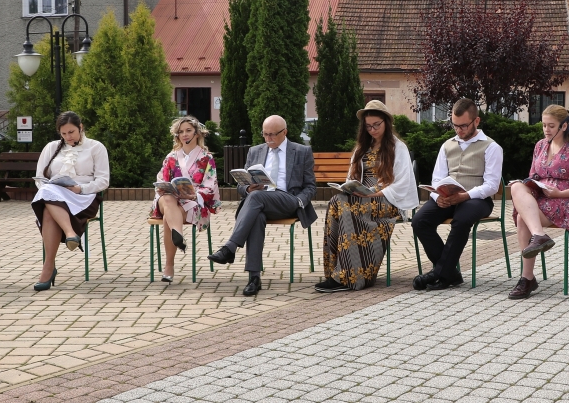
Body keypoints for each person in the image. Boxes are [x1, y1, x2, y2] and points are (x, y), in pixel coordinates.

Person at [207, 115, 318, 297]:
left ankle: (230, 248)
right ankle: (254, 278)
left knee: (256, 198)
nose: (268, 139)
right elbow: (241, 186)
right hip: (259, 203)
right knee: (256, 213)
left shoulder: (301, 151)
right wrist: (247, 188)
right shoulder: (255, 151)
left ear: (284, 132)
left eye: (272, 135)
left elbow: (311, 186)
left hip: (289, 200)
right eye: (265, 134)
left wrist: (299, 201)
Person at [317, 100, 419, 293]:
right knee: (336, 201)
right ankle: (335, 272)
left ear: (386, 123)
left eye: (376, 125)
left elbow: (403, 182)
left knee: (346, 205)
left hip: (387, 199)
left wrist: (376, 193)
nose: (372, 130)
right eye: (368, 126)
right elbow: (351, 177)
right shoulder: (361, 148)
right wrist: (352, 188)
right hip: (363, 196)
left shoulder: (398, 147)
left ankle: (349, 277)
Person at [411, 98, 504, 291]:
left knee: (461, 220)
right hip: (447, 198)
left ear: (476, 121)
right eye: (454, 125)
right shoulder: (447, 145)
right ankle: (450, 274)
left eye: (463, 126)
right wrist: (438, 197)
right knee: (419, 221)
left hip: (477, 200)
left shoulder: (491, 147)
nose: (458, 130)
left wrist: (466, 196)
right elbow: (437, 179)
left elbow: (492, 185)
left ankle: (439, 274)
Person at [507, 105, 569, 300]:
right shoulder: (540, 145)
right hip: (543, 198)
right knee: (516, 187)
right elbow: (533, 175)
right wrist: (531, 184)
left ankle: (527, 278)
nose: (546, 130)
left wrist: (559, 192)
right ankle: (538, 237)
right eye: (543, 125)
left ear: (564, 126)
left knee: (522, 218)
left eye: (551, 126)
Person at [31, 111, 110, 292]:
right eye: (64, 133)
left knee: (48, 208)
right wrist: (53, 188)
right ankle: (69, 235)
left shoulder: (96, 147)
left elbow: (103, 181)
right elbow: (39, 178)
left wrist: (79, 188)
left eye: (71, 132)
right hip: (55, 194)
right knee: (47, 195)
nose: (68, 137)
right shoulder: (51, 147)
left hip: (83, 197)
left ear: (80, 127)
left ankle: (49, 268)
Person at [149, 116, 221, 283]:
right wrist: (166, 187)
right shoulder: (171, 157)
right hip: (169, 199)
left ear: (197, 133)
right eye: (181, 132)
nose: (184, 134)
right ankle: (178, 234)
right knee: (167, 198)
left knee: (168, 218)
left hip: (192, 201)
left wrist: (195, 194)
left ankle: (169, 265)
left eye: (188, 130)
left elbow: (210, 184)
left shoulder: (206, 157)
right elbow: (162, 179)